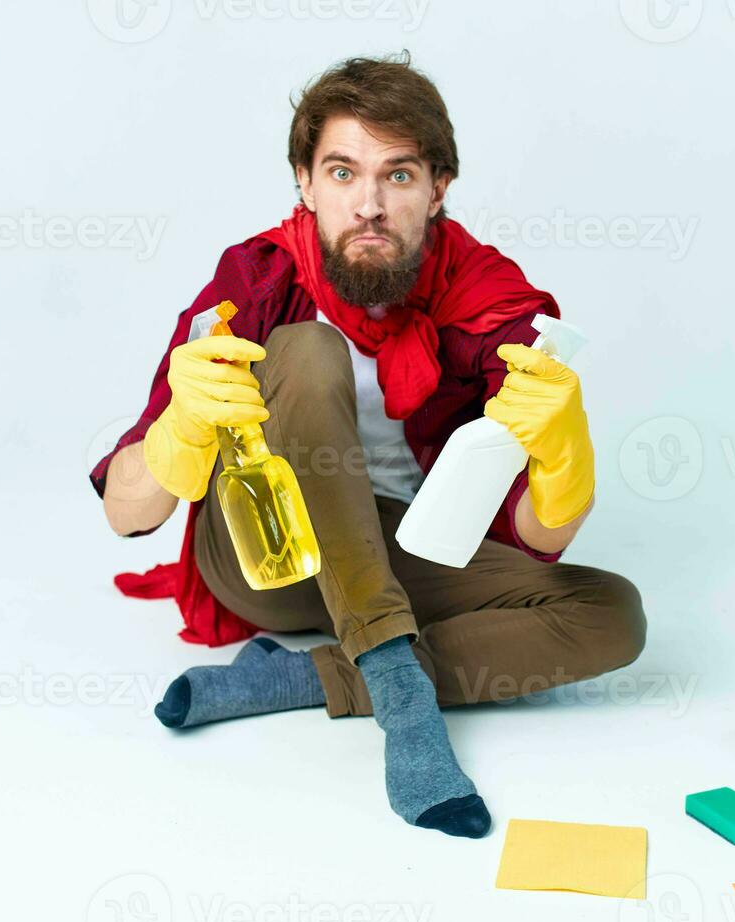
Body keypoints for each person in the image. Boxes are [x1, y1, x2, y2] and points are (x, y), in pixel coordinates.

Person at [90, 53, 646, 839]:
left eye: (399, 176)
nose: (370, 205)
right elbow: (125, 513)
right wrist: (180, 429)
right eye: (344, 173)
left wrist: (564, 457)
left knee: (614, 614)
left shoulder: (486, 293)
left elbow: (536, 541)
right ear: (305, 183)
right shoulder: (253, 277)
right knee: (309, 350)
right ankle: (402, 694)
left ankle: (308, 678)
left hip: (401, 546)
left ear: (439, 188)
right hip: (268, 559)